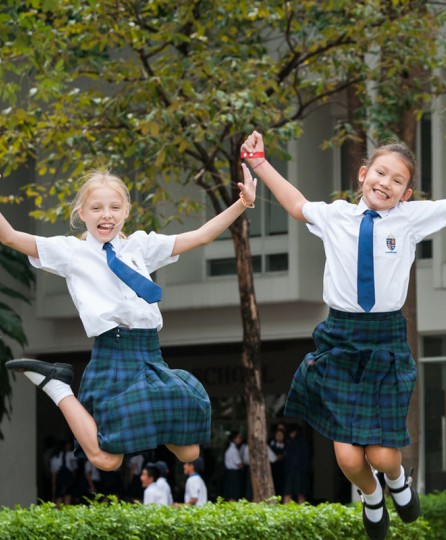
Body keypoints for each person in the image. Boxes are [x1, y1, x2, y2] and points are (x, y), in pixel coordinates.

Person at [240, 123, 446, 540]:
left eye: (398, 181)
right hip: (339, 339)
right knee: (348, 457)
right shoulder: (335, 216)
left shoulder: (409, 219)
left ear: (407, 194)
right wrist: (261, 163)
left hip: (385, 340)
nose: (386, 183)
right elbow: (296, 202)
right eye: (380, 174)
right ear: (363, 175)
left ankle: (398, 481)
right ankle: (372, 496)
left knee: (380, 451)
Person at [2, 168, 257, 473]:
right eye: (96, 208)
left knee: (189, 452)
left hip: (150, 354)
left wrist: (242, 201)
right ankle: (56, 385)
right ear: (81, 213)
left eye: (114, 207)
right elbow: (11, 237)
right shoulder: (72, 253)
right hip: (113, 352)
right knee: (107, 460)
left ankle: (132, 421)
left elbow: (201, 236)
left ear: (125, 211)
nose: (105, 215)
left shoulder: (139, 246)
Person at [282, 424, 311, 504]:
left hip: (291, 471)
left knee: (288, 493)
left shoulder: (290, 443)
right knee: (301, 494)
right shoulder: (305, 443)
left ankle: (283, 513)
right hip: (302, 472)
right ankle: (302, 512)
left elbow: (287, 458)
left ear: (294, 432)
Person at [50, 439, 79, 506]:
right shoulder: (68, 455)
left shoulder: (54, 458)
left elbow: (53, 475)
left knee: (58, 498)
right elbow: (78, 455)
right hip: (68, 479)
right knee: (68, 496)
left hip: (59, 480)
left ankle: (57, 512)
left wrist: (53, 488)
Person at [222, 431, 245, 500]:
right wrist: (243, 468)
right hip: (234, 474)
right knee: (233, 492)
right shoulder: (233, 449)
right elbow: (239, 464)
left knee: (231, 491)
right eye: (239, 438)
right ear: (234, 439)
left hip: (231, 473)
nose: (240, 439)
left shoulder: (232, 448)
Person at [268, 427, 286, 500]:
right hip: (273, 469)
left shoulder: (287, 444)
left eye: (281, 435)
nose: (279, 437)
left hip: (283, 470)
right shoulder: (271, 444)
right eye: (277, 435)